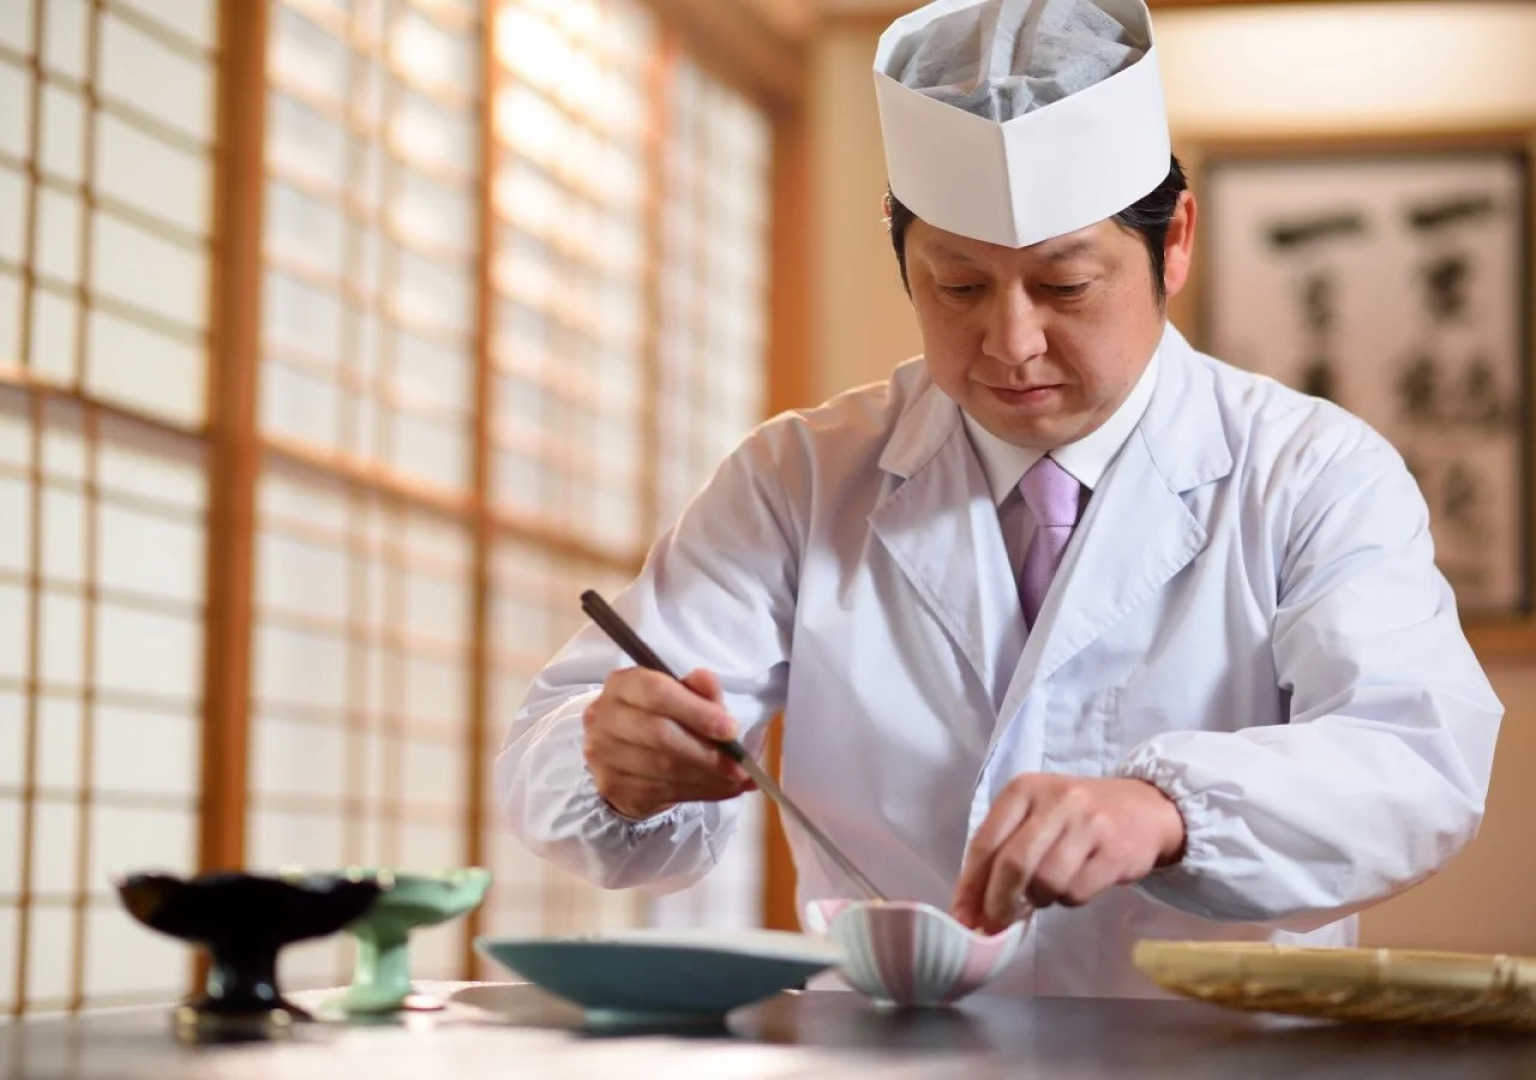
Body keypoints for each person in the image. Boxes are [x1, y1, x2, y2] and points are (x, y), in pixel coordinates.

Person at [495, 0, 1503, 997]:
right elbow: (553, 750)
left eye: (1065, 287)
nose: (1011, 344)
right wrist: (612, 754)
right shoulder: (797, 479)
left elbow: (1413, 762)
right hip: (883, 1056)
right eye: (959, 286)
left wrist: (1167, 810)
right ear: (903, 253)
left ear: (1175, 240)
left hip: (1213, 1056)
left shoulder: (1314, 472)